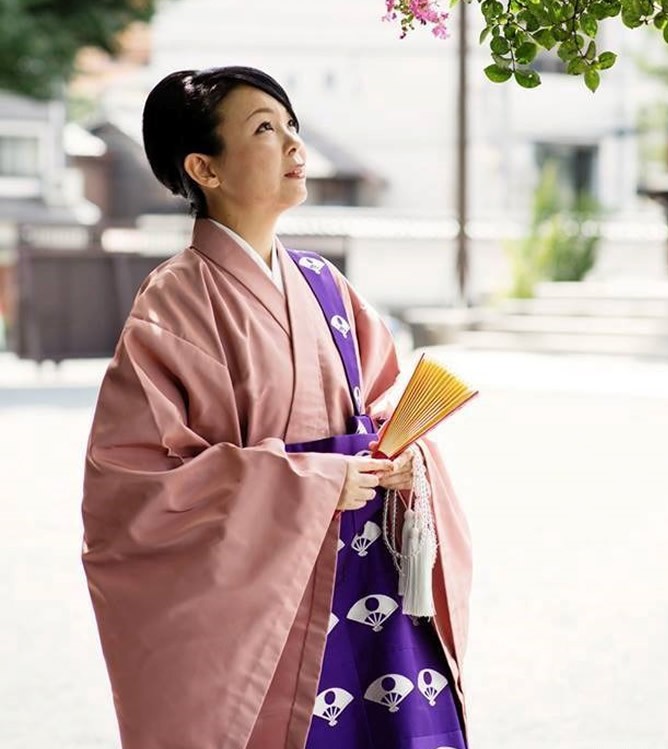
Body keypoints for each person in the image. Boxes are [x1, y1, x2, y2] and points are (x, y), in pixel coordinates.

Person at [81, 66, 473, 749]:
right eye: (266, 129)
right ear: (203, 167)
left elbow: (381, 404)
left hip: (367, 582)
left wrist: (408, 459)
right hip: (267, 607)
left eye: (293, 127)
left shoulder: (325, 284)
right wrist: (312, 483)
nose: (295, 146)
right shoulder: (175, 301)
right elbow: (139, 487)